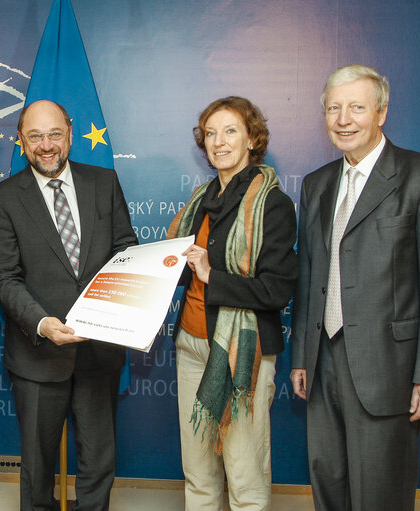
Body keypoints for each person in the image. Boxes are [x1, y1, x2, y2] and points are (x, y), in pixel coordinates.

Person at [290, 64, 420, 511]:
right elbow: (309, 276)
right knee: (327, 480)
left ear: (381, 113)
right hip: (323, 359)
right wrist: (302, 357)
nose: (343, 119)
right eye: (333, 108)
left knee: (380, 492)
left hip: (392, 367)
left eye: (356, 108)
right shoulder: (317, 184)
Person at [0, 100, 137, 511]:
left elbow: (126, 249)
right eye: (35, 136)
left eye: (54, 134)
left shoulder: (104, 183)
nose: (46, 145)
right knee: (36, 470)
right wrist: (42, 323)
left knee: (99, 463)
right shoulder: (2, 198)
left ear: (70, 133)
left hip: (99, 351)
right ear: (21, 141)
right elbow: (2, 276)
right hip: (38, 356)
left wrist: (115, 310)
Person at [167, 96, 297, 510]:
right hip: (192, 345)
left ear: (252, 139)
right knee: (199, 472)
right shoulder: (199, 200)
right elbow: (183, 272)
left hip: (245, 353)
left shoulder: (272, 204)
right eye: (210, 133)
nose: (219, 141)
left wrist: (212, 276)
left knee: (244, 474)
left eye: (230, 131)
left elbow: (276, 291)